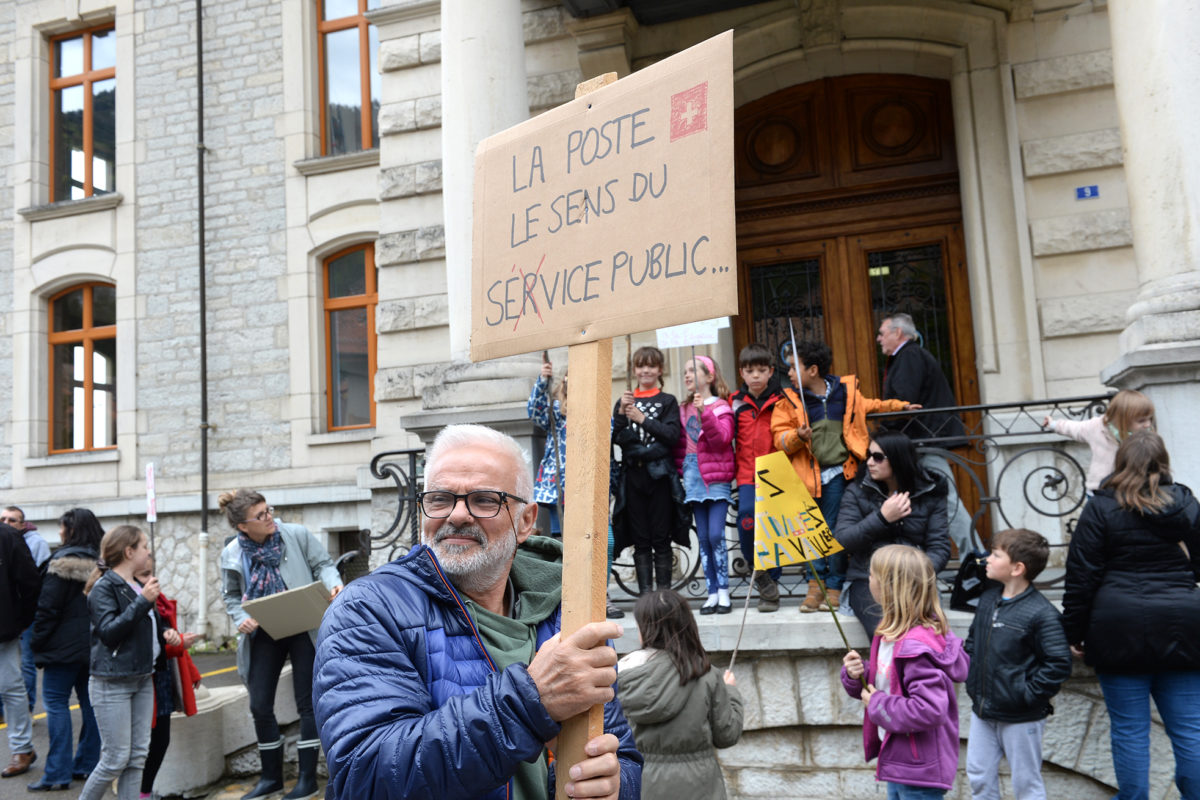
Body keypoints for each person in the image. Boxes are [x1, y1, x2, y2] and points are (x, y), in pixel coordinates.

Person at [314, 423, 643, 800]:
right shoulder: (368, 610)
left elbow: (622, 753)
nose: (456, 515)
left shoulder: (566, 612)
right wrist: (529, 701)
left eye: (485, 499)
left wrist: (617, 786)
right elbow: (366, 775)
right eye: (439, 498)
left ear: (526, 521)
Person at [1061, 431, 1200, 800]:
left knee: (1129, 730)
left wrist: (1073, 632)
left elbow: (1081, 577)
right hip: (1183, 625)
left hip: (1117, 626)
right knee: (1190, 731)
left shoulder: (1101, 507)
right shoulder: (1186, 503)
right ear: (1163, 461)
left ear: (1120, 462)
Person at [772, 341, 914, 613]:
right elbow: (779, 438)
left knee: (835, 531)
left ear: (812, 370)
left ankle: (834, 586)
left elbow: (872, 405)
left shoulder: (845, 393)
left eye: (793, 367)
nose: (788, 373)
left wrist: (901, 405)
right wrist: (796, 437)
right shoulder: (789, 401)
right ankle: (815, 586)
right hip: (804, 478)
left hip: (837, 474)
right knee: (810, 532)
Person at [219, 490, 343, 800]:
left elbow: (324, 565)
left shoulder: (296, 535)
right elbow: (231, 596)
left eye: (268, 510)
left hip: (304, 626)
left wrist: (334, 583)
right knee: (259, 704)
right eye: (260, 515)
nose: (268, 517)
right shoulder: (232, 553)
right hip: (264, 631)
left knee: (307, 702)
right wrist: (239, 617)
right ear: (242, 526)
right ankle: (271, 778)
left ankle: (307, 780)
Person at [841, 544, 969, 798]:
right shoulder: (889, 634)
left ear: (889, 587)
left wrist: (876, 703)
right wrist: (859, 674)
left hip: (919, 771)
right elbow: (889, 682)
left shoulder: (915, 646)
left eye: (873, 575)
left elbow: (930, 709)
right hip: (899, 760)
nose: (868, 579)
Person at [965, 528, 1071, 800]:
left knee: (1026, 784)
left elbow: (1058, 663)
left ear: (1017, 568)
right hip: (983, 711)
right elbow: (973, 642)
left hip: (1021, 717)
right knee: (978, 776)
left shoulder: (1042, 613)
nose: (987, 559)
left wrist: (1025, 695)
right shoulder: (988, 599)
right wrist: (973, 681)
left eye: (996, 555)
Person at [617, 590, 743, 799]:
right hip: (700, 787)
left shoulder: (625, 674)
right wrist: (731, 692)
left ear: (644, 629)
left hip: (641, 784)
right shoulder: (705, 674)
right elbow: (727, 735)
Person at [836, 430, 950, 638]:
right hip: (868, 579)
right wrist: (881, 518)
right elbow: (843, 540)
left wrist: (912, 574)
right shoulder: (858, 490)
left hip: (916, 581)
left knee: (925, 634)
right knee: (887, 631)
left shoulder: (930, 492)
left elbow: (939, 548)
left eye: (878, 457)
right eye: (869, 455)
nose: (870, 462)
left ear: (898, 459)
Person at [877, 313, 974, 557]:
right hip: (919, 441)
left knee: (947, 500)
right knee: (921, 501)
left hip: (923, 441)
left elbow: (904, 402)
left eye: (882, 333)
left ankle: (975, 559)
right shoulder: (909, 356)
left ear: (898, 333)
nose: (878, 339)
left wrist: (881, 430)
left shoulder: (909, 356)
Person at [78, 525, 165, 800]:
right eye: (143, 546)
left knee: (137, 757)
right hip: (111, 682)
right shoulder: (104, 587)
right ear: (129, 552)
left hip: (141, 677)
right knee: (115, 759)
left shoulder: (136, 585)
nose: (148, 551)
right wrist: (143, 602)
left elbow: (144, 630)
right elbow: (109, 632)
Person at [27, 508, 106, 792]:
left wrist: (37, 643)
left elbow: (47, 608)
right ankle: (87, 764)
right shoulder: (104, 562)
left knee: (56, 704)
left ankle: (56, 773)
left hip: (61, 648)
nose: (59, 532)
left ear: (70, 530)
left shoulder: (60, 563)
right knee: (90, 704)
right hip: (95, 644)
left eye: (62, 528)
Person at [612, 345, 683, 594]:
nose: (646, 370)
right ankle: (645, 598)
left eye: (651, 365)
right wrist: (622, 413)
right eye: (641, 366)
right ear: (634, 370)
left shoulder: (667, 401)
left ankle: (663, 596)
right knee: (641, 539)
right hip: (633, 478)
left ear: (660, 370)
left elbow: (672, 436)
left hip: (660, 476)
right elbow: (617, 437)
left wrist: (642, 420)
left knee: (661, 538)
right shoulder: (625, 402)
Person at [135, 555, 202, 800]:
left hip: (160, 677)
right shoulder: (132, 598)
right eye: (145, 576)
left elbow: (165, 631)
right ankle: (139, 792)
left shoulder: (156, 599)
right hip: (141, 680)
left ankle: (144, 792)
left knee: (160, 740)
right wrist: (177, 642)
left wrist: (186, 658)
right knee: (140, 744)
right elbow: (148, 641)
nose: (152, 580)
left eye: (153, 574)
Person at [675, 355, 735, 614]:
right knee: (703, 538)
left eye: (693, 371)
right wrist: (681, 471)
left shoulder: (721, 407)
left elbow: (722, 439)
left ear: (709, 377)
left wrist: (704, 413)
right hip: (693, 478)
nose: (687, 375)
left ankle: (724, 590)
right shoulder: (682, 408)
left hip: (716, 478)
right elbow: (681, 445)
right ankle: (711, 591)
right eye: (685, 371)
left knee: (715, 535)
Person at [730, 343, 787, 611]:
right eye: (750, 371)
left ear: (771, 372)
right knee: (747, 519)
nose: (755, 376)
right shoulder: (735, 401)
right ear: (742, 372)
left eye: (761, 370)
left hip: (775, 472)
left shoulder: (784, 400)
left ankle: (770, 586)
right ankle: (759, 572)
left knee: (773, 530)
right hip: (746, 474)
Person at [1042, 389, 1156, 493]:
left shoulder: (1146, 435)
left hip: (1135, 490)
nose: (1148, 424)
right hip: (1101, 489)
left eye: (1150, 419)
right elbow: (1075, 428)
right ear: (1122, 419)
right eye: (1141, 421)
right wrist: (1053, 424)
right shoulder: (1097, 426)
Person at [0, 506, 48, 722]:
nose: (7, 522)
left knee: (20, 671)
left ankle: (22, 737)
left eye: (12, 519)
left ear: (22, 524)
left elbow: (31, 583)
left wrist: (22, 619)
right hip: (11, 621)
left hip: (15, 621)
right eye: (4, 518)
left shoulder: (29, 542)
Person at [0, 521, 40, 779]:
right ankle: (22, 748)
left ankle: (22, 748)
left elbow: (30, 582)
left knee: (10, 687)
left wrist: (20, 621)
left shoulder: (7, 536)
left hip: (4, 630)